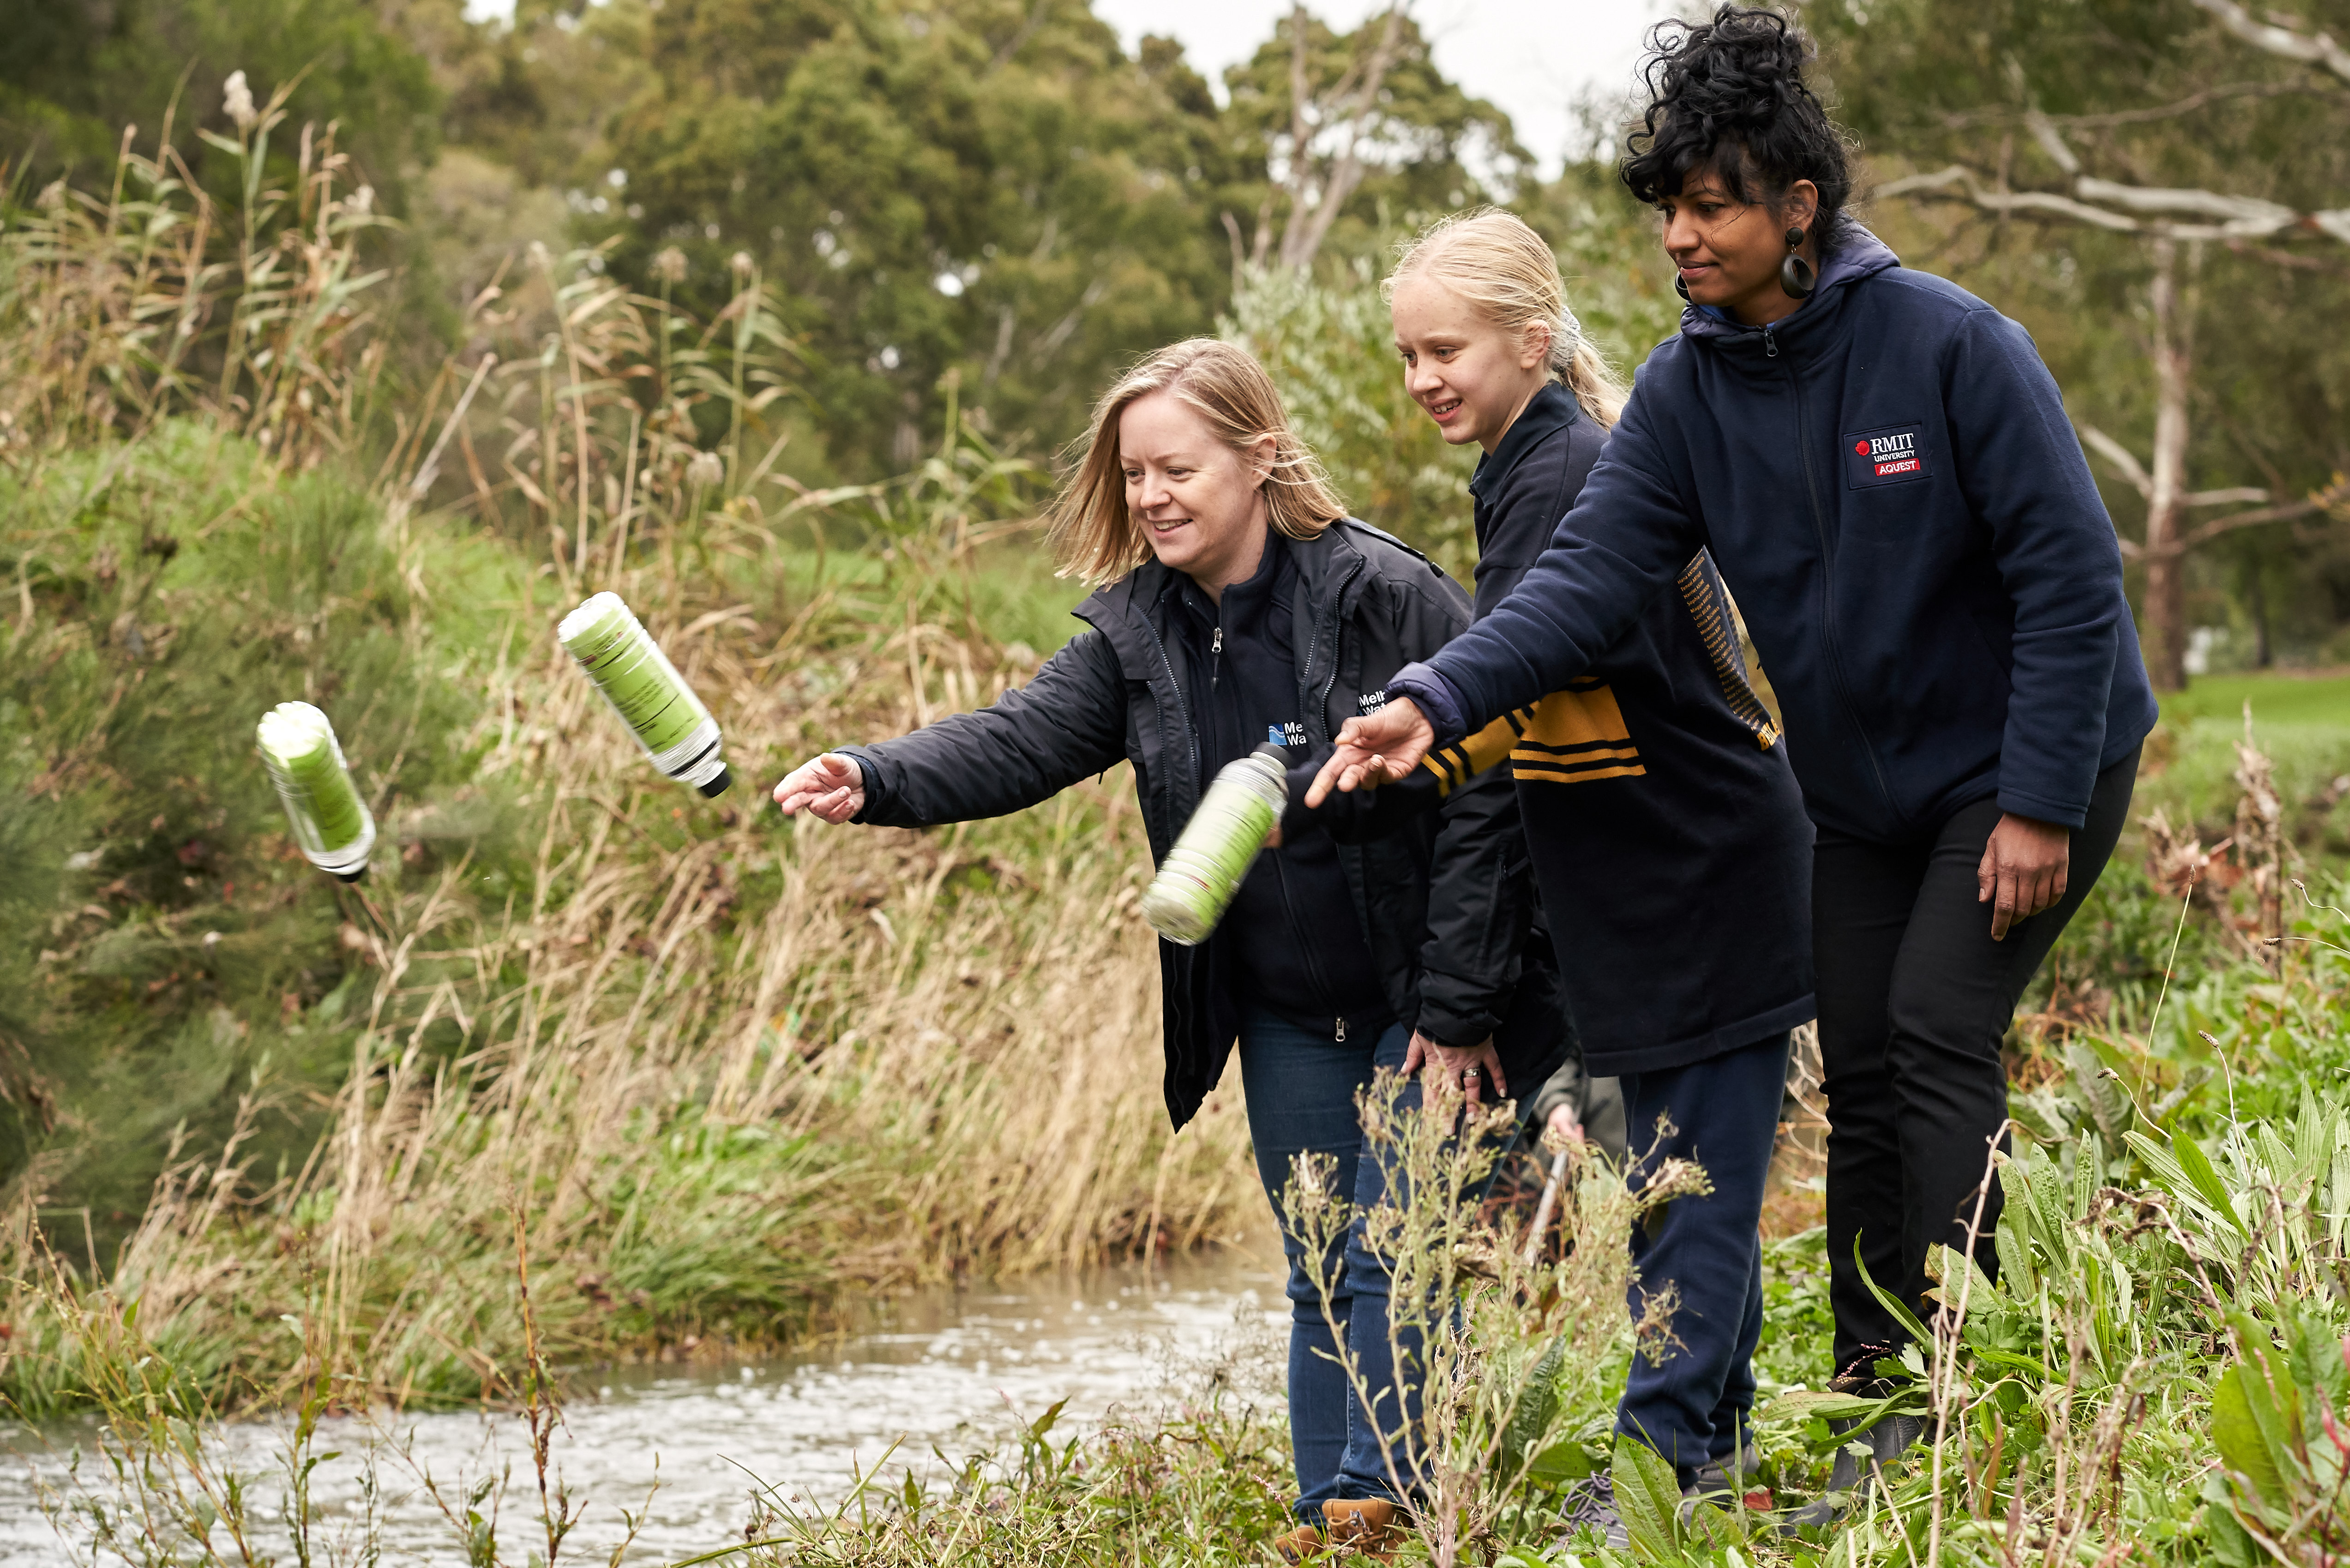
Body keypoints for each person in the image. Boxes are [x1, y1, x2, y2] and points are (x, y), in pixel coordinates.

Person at [1312, 5, 2156, 1529]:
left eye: (1709, 209)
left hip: (2034, 759)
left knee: (1931, 1031)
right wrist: (1433, 696)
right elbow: (1578, 583)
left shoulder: (1952, 348)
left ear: (1795, 209)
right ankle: (1872, 1407)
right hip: (1862, 802)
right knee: (1868, 1070)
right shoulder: (1688, 390)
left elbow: (2070, 583)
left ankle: (1958, 1388)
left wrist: (2034, 800)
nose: (1680, 241)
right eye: (1668, 212)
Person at [770, 339, 1569, 1559]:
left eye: (1175, 470)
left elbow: (1493, 795)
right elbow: (1017, 740)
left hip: (1437, 1001)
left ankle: (1383, 1516)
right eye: (1133, 474)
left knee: (1396, 1262)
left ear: (1257, 460)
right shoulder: (1134, 633)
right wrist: (873, 777)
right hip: (1285, 1012)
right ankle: (1334, 1523)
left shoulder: (1383, 592)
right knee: (1319, 1269)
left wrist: (1460, 1007)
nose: (1150, 497)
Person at [1384, 208, 1816, 1535]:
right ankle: (1708, 1451)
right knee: (1681, 1180)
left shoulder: (1568, 473)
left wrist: (1404, 759)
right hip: (1645, 883)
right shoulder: (1522, 466)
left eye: (1444, 348)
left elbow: (1505, 700)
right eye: (1405, 355)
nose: (1422, 380)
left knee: (1690, 1183)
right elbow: (1518, 730)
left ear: (1530, 338)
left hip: (1706, 869)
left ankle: (1651, 1474)